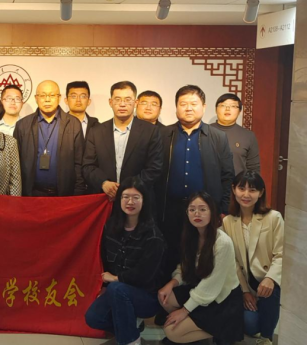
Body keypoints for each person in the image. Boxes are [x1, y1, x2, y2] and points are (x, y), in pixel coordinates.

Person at [156, 85, 234, 278]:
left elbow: (227, 176)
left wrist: (223, 209)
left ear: (204, 107)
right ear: (176, 107)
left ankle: (197, 293)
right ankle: (168, 291)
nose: (188, 108)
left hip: (205, 210)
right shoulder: (162, 135)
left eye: (193, 103)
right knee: (169, 254)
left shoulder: (218, 137)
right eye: (183, 104)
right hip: (170, 208)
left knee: (201, 256)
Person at [84, 177, 166, 345]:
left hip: (146, 296)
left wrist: (115, 279)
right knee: (93, 318)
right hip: (117, 290)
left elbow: (145, 275)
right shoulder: (111, 227)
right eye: (125, 197)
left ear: (144, 201)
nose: (130, 202)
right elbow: (106, 261)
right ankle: (131, 324)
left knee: (117, 288)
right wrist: (105, 287)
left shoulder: (153, 235)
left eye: (136, 197)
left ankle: (130, 341)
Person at [158, 191, 243, 345]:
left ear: (212, 212)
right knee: (165, 297)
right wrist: (171, 283)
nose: (197, 214)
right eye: (192, 209)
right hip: (202, 291)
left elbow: (210, 285)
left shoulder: (222, 242)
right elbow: (184, 268)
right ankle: (193, 330)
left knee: (172, 332)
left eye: (203, 209)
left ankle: (224, 332)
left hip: (222, 299)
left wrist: (184, 311)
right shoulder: (191, 236)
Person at [222, 171, 283, 345]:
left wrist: (270, 278)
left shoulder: (273, 217)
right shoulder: (228, 221)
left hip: (268, 280)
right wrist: (245, 291)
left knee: (270, 291)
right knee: (250, 325)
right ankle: (260, 324)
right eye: (241, 188)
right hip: (247, 284)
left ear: (261, 193)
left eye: (252, 190)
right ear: (234, 190)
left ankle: (266, 340)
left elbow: (281, 254)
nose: (246, 194)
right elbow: (232, 261)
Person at [83, 81, 163, 198]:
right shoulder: (96, 132)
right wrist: (103, 183)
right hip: (104, 198)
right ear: (110, 102)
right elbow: (88, 166)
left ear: (135, 103)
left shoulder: (151, 131)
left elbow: (154, 168)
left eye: (127, 100)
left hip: (138, 198)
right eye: (117, 99)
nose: (122, 104)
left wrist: (130, 187)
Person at [14, 80, 86, 196]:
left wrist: (78, 193)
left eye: (52, 95)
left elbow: (79, 163)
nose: (47, 99)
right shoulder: (23, 125)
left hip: (64, 194)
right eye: (43, 95)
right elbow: (15, 164)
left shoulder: (73, 124)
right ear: (36, 98)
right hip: (32, 194)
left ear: (59, 97)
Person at [211, 93, 261, 175]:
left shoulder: (248, 136)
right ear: (216, 110)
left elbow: (254, 168)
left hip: (237, 182)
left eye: (233, 106)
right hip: (207, 183)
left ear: (239, 111)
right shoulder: (203, 131)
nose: (227, 109)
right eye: (223, 105)